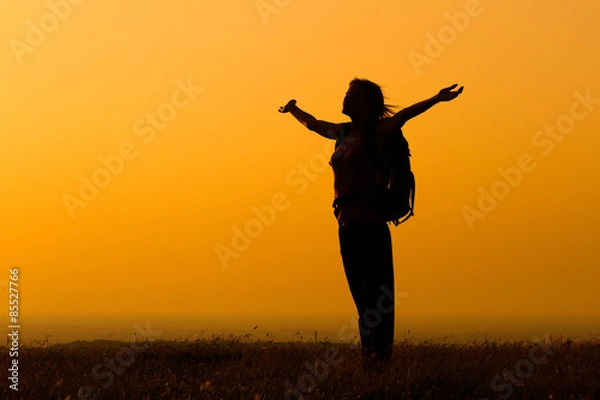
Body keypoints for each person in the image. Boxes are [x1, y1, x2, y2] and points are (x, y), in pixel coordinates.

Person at [279, 78, 463, 364]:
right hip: (346, 226)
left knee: (378, 299)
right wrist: (293, 109)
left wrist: (436, 99)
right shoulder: (343, 133)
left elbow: (404, 116)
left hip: (370, 225)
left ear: (368, 105)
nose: (346, 99)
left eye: (353, 96)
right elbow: (313, 124)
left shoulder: (378, 132)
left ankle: (380, 358)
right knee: (362, 300)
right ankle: (370, 358)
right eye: (347, 94)